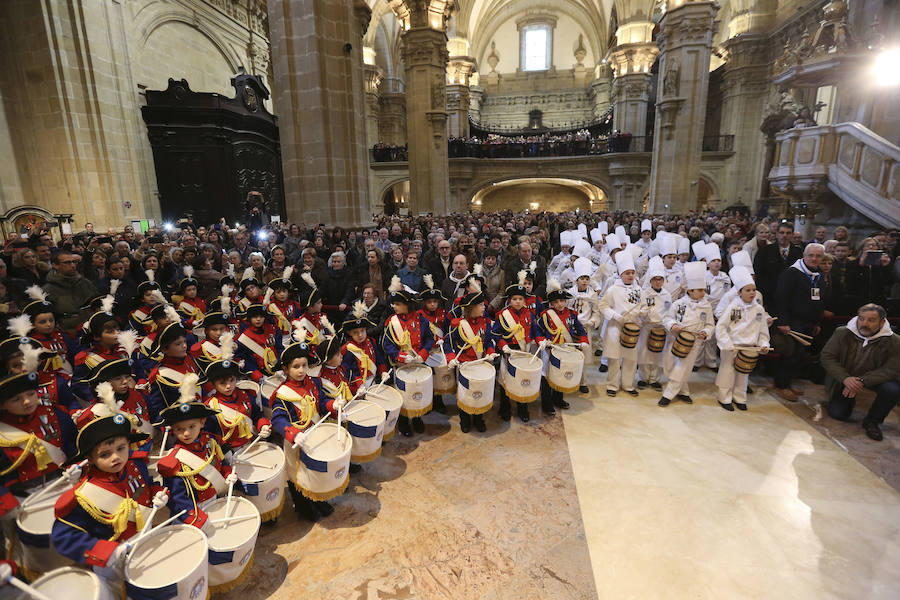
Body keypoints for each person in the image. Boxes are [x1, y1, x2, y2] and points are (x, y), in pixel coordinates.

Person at [51, 414, 165, 578]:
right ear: (90, 458)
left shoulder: (135, 464)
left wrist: (157, 493)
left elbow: (148, 483)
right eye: (105, 454)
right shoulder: (86, 495)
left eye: (121, 448)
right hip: (114, 558)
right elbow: (63, 536)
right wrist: (104, 551)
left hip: (147, 538)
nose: (116, 457)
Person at [156, 373, 239, 528]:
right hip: (193, 512)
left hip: (214, 500)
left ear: (202, 422)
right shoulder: (173, 461)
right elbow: (177, 499)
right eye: (179, 429)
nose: (186, 433)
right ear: (173, 429)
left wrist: (227, 473)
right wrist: (197, 518)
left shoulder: (211, 442)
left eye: (191, 427)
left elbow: (220, 464)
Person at [268, 342, 338, 522]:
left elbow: (321, 403)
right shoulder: (282, 394)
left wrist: (333, 405)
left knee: (314, 471)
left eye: (304, 365)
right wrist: (293, 434)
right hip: (296, 440)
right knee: (297, 475)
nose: (301, 370)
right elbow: (277, 419)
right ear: (285, 369)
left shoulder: (314, 382)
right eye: (295, 367)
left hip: (315, 435)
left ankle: (317, 498)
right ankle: (303, 506)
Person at [820, 304, 900, 441]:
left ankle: (872, 421)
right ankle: (845, 398)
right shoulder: (842, 333)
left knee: (892, 389)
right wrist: (845, 379)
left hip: (873, 379)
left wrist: (862, 381)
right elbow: (827, 357)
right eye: (861, 319)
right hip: (846, 379)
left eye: (871, 320)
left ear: (882, 322)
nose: (864, 324)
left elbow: (891, 369)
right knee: (838, 414)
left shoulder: (894, 341)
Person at [771, 243, 825, 402]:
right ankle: (781, 385)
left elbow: (819, 300)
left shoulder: (818, 273)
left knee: (799, 355)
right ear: (804, 256)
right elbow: (781, 298)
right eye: (811, 255)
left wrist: (817, 322)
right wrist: (783, 321)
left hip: (808, 322)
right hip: (793, 322)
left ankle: (786, 383)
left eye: (818, 256)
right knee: (790, 354)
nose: (814, 259)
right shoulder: (791, 273)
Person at [382, 277, 433, 437]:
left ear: (407, 305)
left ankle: (417, 418)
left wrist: (423, 355)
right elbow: (387, 345)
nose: (394, 307)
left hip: (418, 363)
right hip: (401, 366)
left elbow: (429, 339)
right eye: (394, 304)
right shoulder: (392, 322)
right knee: (404, 395)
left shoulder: (420, 320)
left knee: (417, 392)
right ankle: (404, 421)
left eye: (397, 304)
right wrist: (402, 356)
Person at [714, 267, 771, 411]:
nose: (752, 293)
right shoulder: (733, 307)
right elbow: (721, 327)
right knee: (727, 372)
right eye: (748, 290)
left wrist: (763, 343)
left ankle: (739, 397)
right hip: (731, 346)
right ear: (739, 292)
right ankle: (724, 397)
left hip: (749, 348)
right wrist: (727, 343)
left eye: (754, 290)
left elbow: (763, 331)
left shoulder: (759, 309)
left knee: (743, 375)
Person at [659, 262, 714, 407]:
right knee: (671, 365)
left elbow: (710, 325)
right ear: (690, 291)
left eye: (704, 290)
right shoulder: (678, 304)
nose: (703, 293)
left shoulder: (706, 306)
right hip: (675, 339)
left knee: (683, 366)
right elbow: (667, 318)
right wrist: (673, 325)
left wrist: (705, 332)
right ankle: (683, 391)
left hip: (694, 342)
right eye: (699, 290)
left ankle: (668, 394)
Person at [444, 291, 497, 433]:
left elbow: (488, 342)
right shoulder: (458, 325)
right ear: (471, 308)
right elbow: (447, 343)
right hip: (464, 366)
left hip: (480, 364)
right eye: (480, 305)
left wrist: (491, 351)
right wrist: (451, 358)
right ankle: (465, 420)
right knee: (465, 394)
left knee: (479, 392)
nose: (484, 307)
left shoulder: (485, 323)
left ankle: (479, 419)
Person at [493, 276, 543, 423]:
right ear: (509, 300)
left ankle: (523, 408)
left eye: (520, 299)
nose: (518, 302)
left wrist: (541, 340)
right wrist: (503, 345)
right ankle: (505, 408)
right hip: (509, 352)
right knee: (505, 380)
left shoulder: (530, 314)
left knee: (523, 380)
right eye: (514, 299)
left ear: (525, 300)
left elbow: (536, 331)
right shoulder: (503, 315)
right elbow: (495, 334)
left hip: (525, 352)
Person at [538, 279, 588, 414]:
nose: (560, 304)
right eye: (556, 302)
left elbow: (580, 329)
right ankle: (547, 403)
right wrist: (542, 340)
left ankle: (558, 399)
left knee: (560, 374)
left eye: (562, 301)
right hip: (550, 350)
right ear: (551, 303)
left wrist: (584, 340)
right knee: (547, 376)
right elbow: (538, 331)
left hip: (566, 349)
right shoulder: (545, 315)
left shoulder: (572, 314)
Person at [636, 257, 672, 391]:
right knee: (644, 352)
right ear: (650, 280)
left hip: (661, 328)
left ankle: (655, 378)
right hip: (647, 327)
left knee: (658, 353)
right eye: (655, 279)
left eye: (660, 279)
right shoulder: (644, 293)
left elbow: (669, 312)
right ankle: (643, 377)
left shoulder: (667, 295)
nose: (658, 282)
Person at [43, 251, 99, 333]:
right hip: (65, 333)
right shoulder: (47, 290)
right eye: (67, 263)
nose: (73, 266)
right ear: (55, 265)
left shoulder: (85, 283)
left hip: (89, 329)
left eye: (74, 262)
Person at [753, 221, 802, 307]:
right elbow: (758, 275)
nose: (784, 235)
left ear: (792, 235)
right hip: (769, 297)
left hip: (791, 298)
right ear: (777, 234)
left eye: (788, 233)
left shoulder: (799, 253)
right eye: (782, 232)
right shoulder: (764, 252)